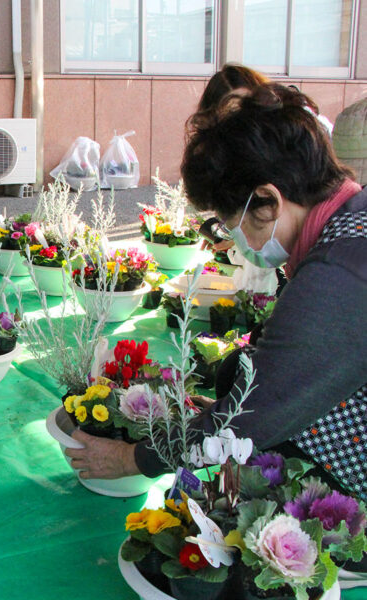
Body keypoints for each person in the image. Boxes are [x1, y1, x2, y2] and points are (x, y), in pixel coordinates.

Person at [65, 84, 367, 502]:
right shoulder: (352, 222)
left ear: (268, 201)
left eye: (231, 223)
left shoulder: (339, 275)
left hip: (354, 484)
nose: (233, 239)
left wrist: (132, 458)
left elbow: (254, 413)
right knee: (233, 374)